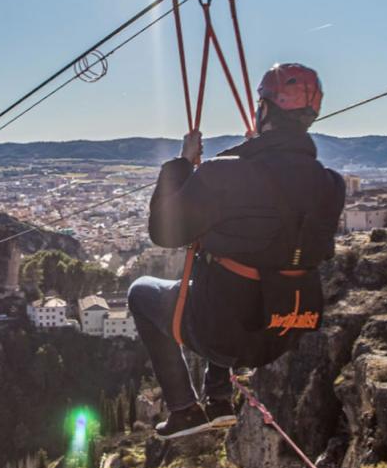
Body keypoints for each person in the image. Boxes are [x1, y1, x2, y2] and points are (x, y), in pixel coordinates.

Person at [128, 63, 346, 440]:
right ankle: (217, 398)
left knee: (141, 292)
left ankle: (183, 409)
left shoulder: (224, 174)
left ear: (264, 110)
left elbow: (162, 231)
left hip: (225, 332)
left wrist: (181, 165)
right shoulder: (331, 184)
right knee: (236, 274)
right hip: (282, 329)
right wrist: (252, 149)